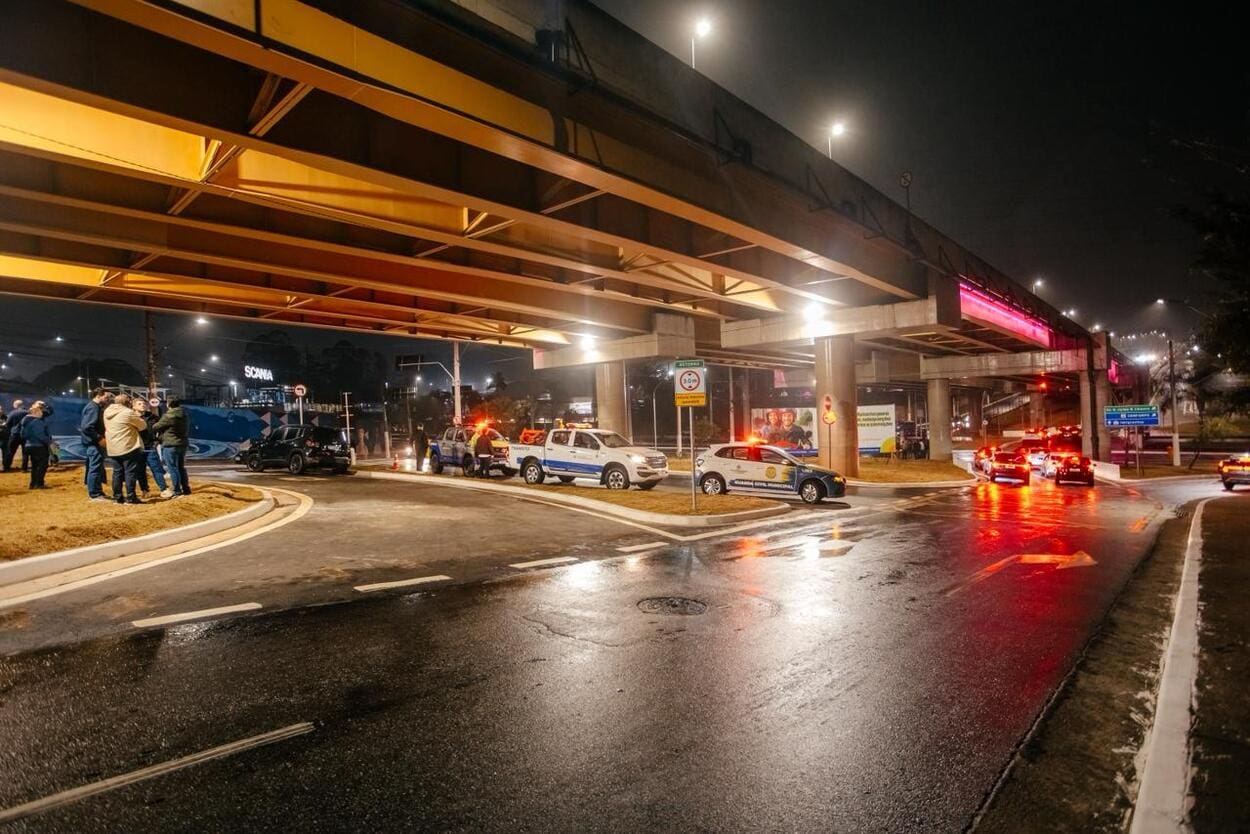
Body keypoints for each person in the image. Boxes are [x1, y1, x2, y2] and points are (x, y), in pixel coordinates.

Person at [104, 393, 147, 504]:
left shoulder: (107, 412)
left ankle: (118, 497)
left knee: (117, 473)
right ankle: (131, 497)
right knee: (130, 472)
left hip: (113, 447)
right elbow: (142, 426)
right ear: (127, 403)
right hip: (128, 446)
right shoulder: (127, 412)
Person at [133, 399, 172, 499]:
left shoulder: (153, 417)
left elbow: (163, 430)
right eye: (139, 404)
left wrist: (158, 441)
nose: (143, 405)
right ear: (134, 406)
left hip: (150, 447)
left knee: (156, 469)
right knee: (140, 471)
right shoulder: (130, 417)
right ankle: (145, 490)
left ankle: (164, 489)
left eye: (144, 404)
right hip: (136, 448)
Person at [153, 397, 190, 496]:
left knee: (173, 468)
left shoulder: (169, 416)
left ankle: (177, 490)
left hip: (170, 444)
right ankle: (186, 488)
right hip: (182, 443)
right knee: (181, 467)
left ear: (168, 404)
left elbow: (156, 427)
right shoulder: (184, 414)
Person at [79, 388, 111, 500]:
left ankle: (97, 491)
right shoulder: (93, 408)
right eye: (106, 397)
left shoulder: (94, 407)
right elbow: (87, 427)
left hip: (93, 443)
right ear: (98, 395)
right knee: (95, 468)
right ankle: (95, 494)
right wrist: (99, 439)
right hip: (94, 444)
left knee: (96, 467)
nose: (107, 400)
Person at [19, 401, 52, 489]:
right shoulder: (37, 422)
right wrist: (49, 442)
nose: (42, 413)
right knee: (42, 465)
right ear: (36, 413)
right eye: (41, 412)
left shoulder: (25, 422)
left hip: (29, 445)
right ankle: (39, 483)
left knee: (35, 466)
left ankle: (33, 484)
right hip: (39, 446)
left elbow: (22, 435)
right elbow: (41, 435)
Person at [3, 398, 27, 472]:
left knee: (11, 451)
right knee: (25, 452)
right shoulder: (27, 412)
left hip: (15, 434)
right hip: (25, 435)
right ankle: (24, 468)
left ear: (15, 405)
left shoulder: (13, 413)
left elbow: (7, 424)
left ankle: (7, 467)